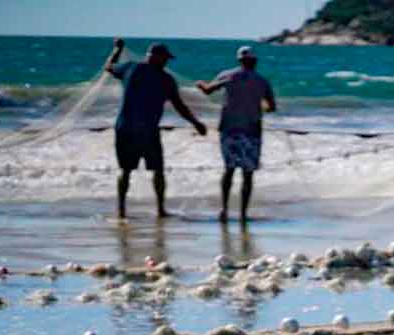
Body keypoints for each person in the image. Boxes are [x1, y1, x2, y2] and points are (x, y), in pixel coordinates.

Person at [105, 39, 207, 220]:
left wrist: (117, 49)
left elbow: (109, 66)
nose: (167, 61)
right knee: (147, 170)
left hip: (129, 128)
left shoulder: (131, 68)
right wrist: (196, 123)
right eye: (165, 58)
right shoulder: (164, 79)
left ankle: (132, 210)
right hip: (143, 131)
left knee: (137, 171)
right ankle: (147, 210)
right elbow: (180, 106)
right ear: (155, 57)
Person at [196, 46, 277, 224]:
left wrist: (200, 84)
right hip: (252, 131)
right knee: (248, 174)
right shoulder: (262, 81)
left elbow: (208, 90)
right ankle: (242, 214)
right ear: (254, 61)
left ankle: (224, 209)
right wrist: (257, 105)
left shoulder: (228, 75)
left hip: (229, 130)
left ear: (239, 60)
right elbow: (271, 107)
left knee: (229, 170)